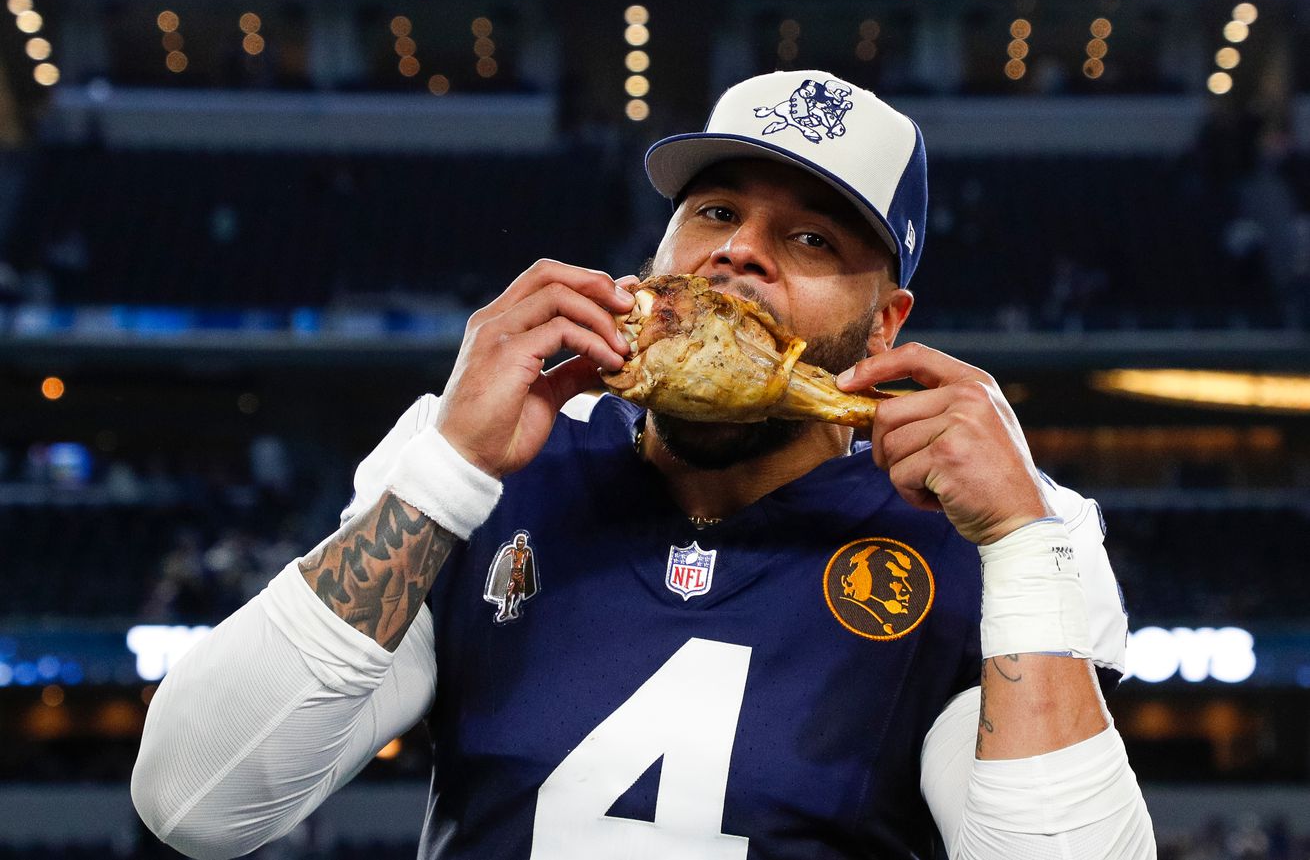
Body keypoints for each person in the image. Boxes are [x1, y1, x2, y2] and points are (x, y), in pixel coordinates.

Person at [132, 70, 1155, 859]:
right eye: (714, 213)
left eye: (805, 237)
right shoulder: (468, 467)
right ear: (657, 256)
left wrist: (1023, 550)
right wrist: (448, 464)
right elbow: (195, 801)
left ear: (884, 323)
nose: (738, 252)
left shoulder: (1011, 537)